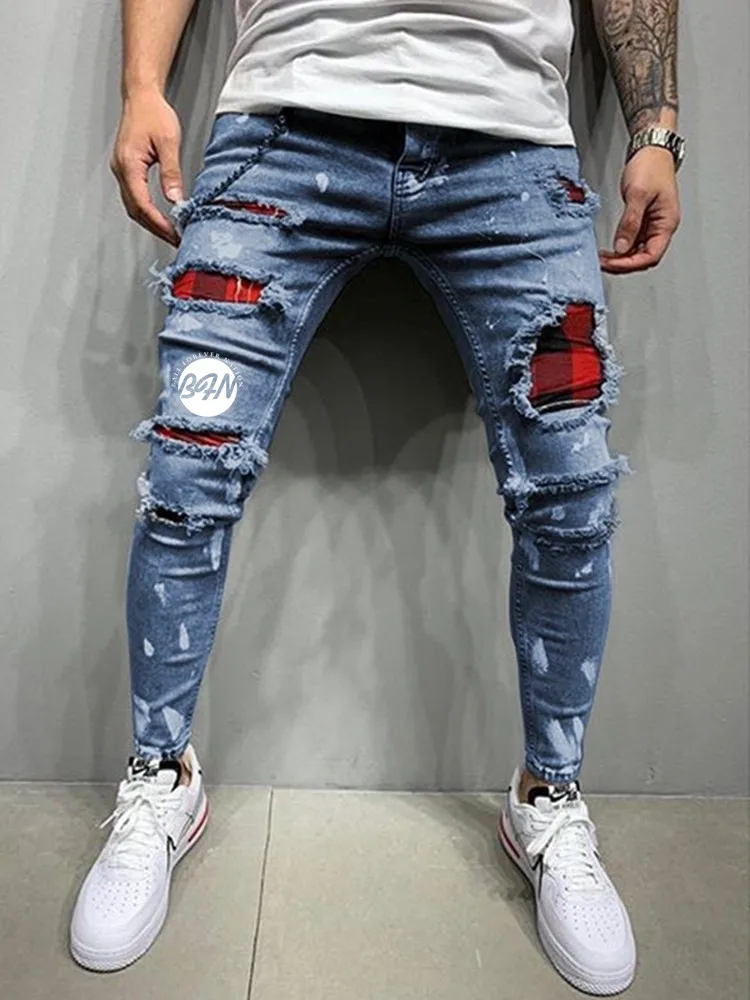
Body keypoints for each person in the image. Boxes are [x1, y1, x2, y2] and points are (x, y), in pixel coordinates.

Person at [69, 0, 682, 993]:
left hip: (512, 145)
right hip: (283, 123)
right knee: (187, 473)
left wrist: (656, 129)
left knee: (571, 496)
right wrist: (144, 86)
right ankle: (158, 779)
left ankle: (549, 799)